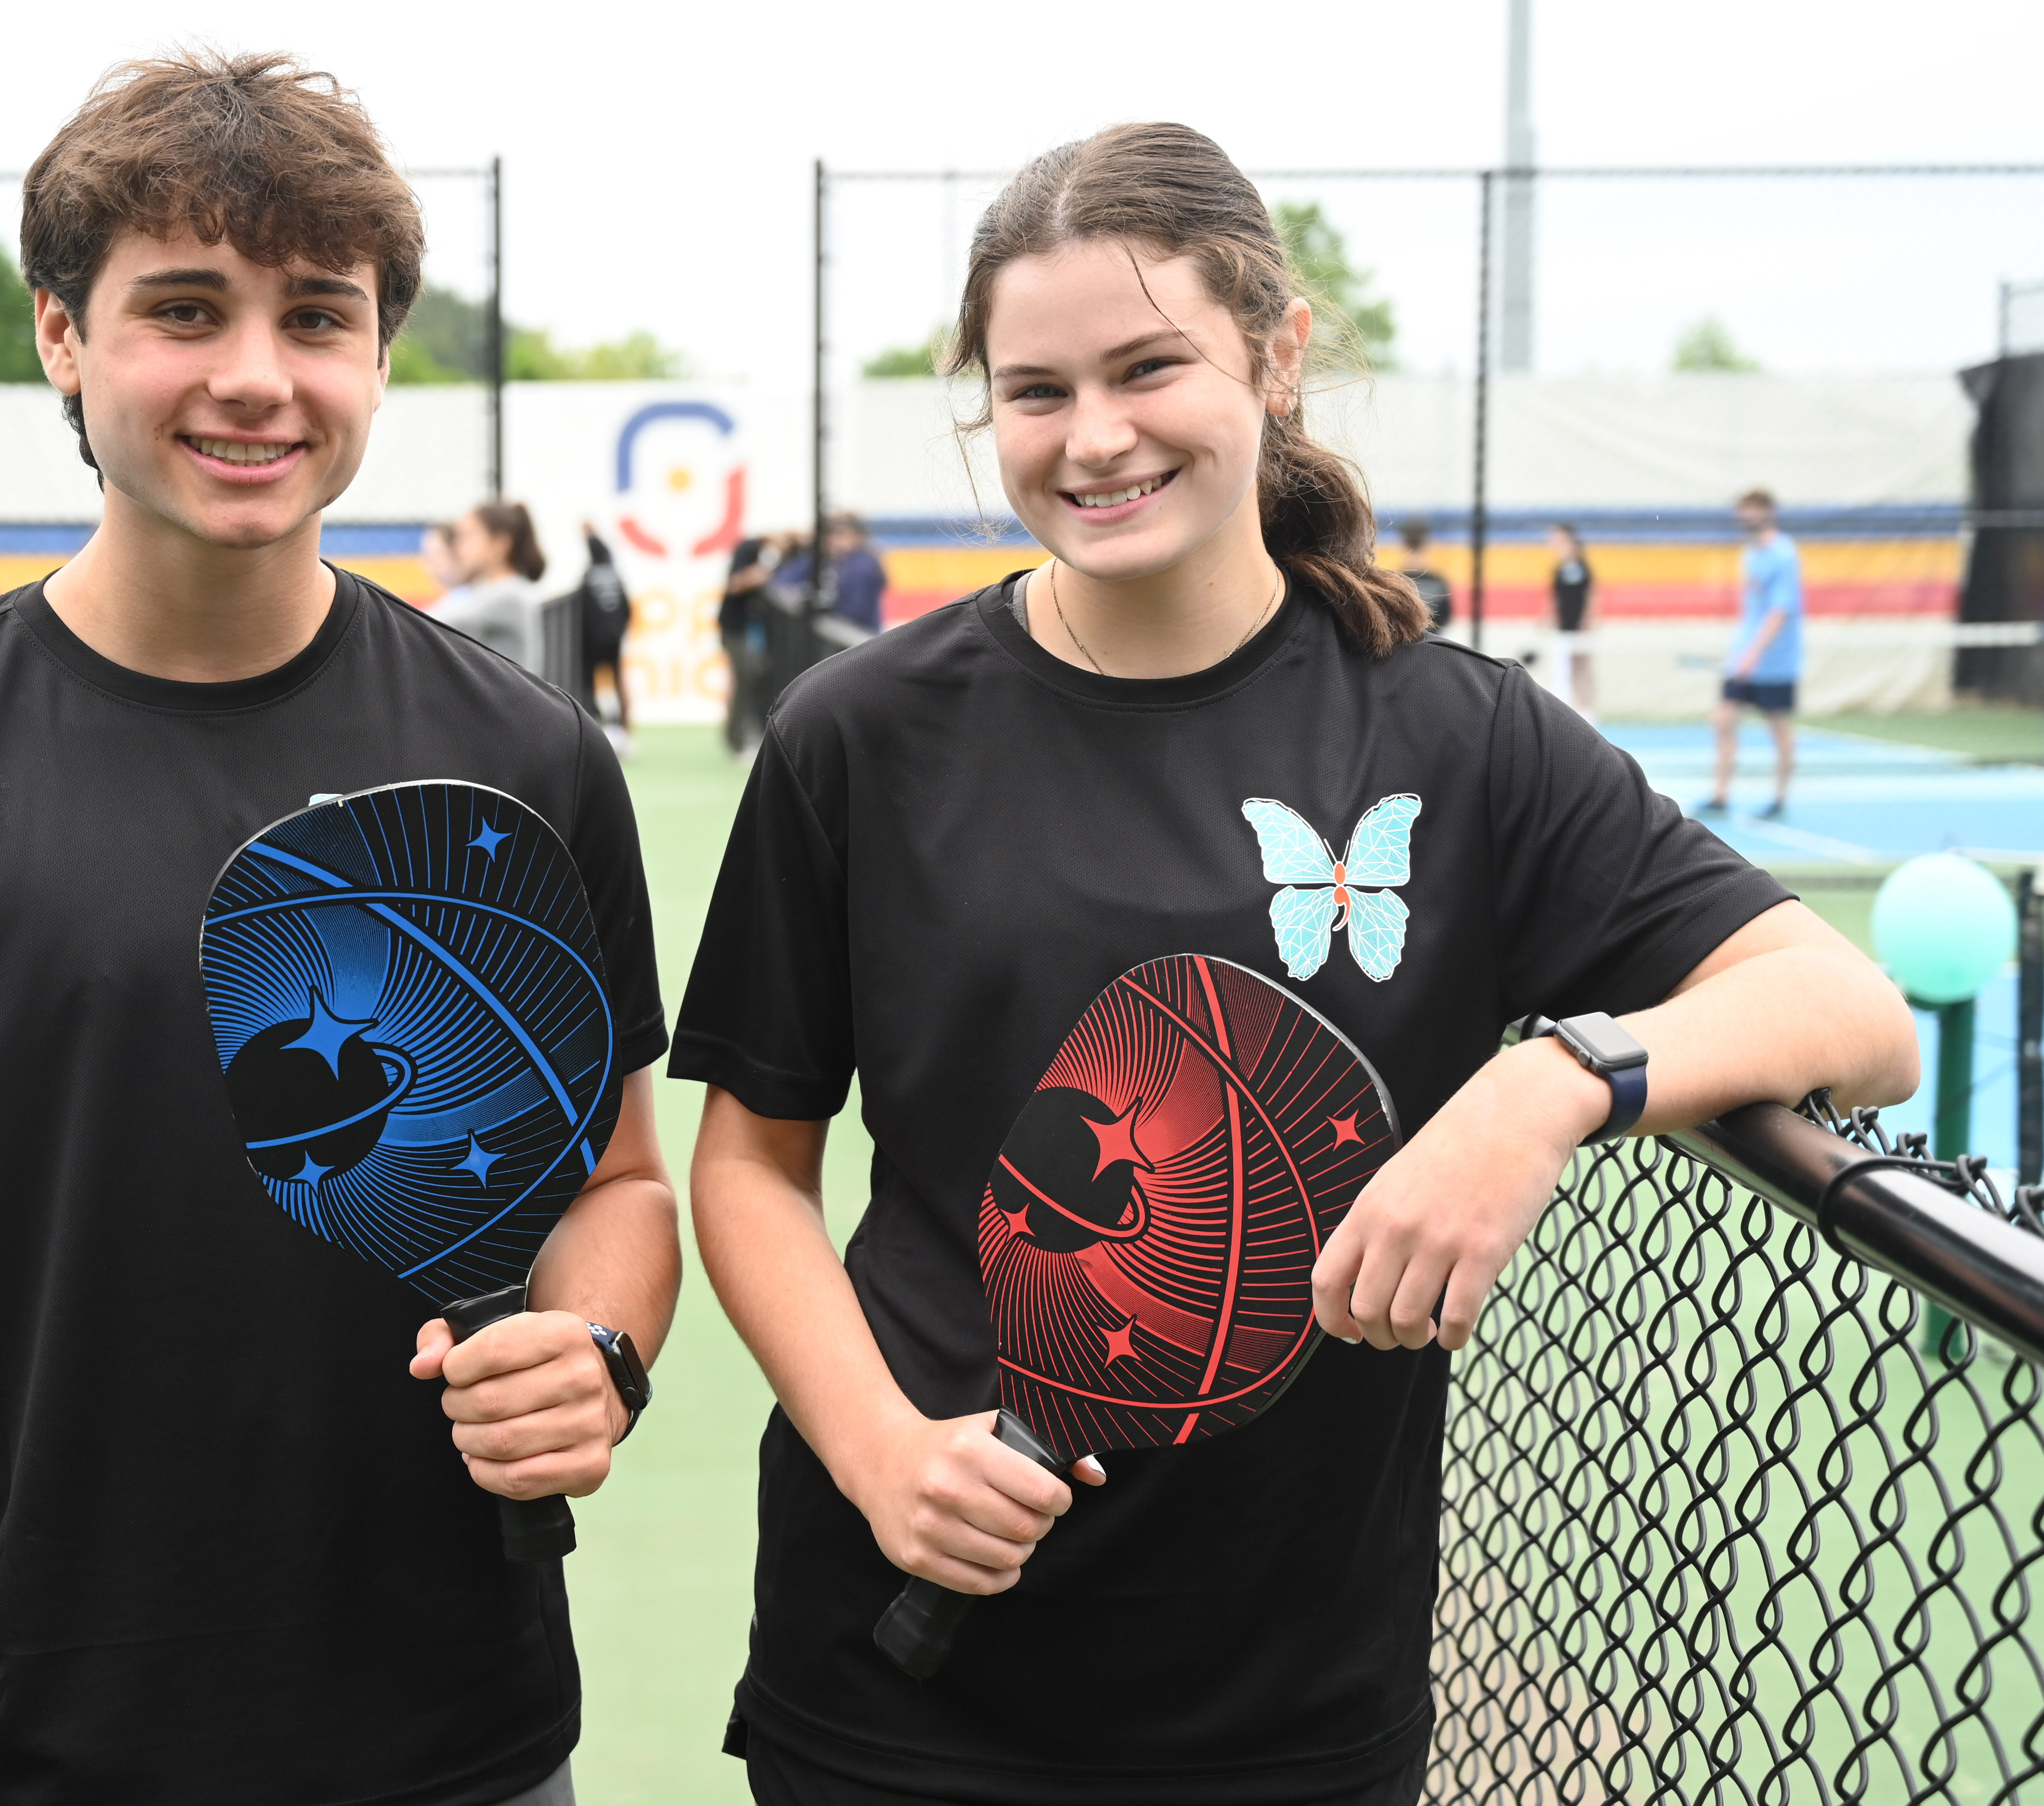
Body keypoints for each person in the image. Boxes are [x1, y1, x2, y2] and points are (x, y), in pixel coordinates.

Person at [672, 123, 1916, 1806]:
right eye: (1033, 391)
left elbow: (1849, 1013)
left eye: (1145, 367)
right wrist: (877, 1447)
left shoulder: (1457, 736)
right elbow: (748, 1161)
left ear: (1272, 352)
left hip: (1289, 1698)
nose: (1090, 435)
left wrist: (1544, 1084)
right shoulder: (858, 734)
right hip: (898, 1675)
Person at [0, 52, 675, 1806]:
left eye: (318, 316)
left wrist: (597, 1351)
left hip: (463, 1746)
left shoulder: (528, 762)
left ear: (380, 354)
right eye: (182, 308)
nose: (255, 375)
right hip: (35, 1753)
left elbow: (616, 1183)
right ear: (62, 337)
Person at [1704, 489, 1802, 819]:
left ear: (1767, 513)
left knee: (1779, 728)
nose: (1744, 519)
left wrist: (1754, 655)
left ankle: (1780, 797)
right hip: (1742, 657)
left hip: (1775, 663)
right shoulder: (1750, 554)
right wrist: (1740, 654)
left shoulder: (1784, 554)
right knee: (1723, 720)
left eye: (1750, 512)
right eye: (1741, 512)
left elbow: (1779, 612)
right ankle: (1721, 794)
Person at [434, 498, 546, 671]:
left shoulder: (509, 595)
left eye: (468, 536)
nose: (458, 547)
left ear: (500, 544)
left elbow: (430, 622)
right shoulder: (486, 590)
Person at [574, 522, 634, 752]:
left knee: (589, 685)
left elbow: (581, 613)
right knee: (619, 683)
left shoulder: (588, 577)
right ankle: (623, 732)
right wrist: (619, 630)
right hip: (614, 639)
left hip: (593, 642)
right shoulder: (616, 575)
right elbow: (628, 609)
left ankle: (593, 733)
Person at [718, 533, 776, 756]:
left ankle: (740, 738)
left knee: (749, 681)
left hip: (746, 633)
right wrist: (760, 575)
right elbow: (734, 584)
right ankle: (737, 741)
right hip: (736, 631)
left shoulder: (754, 551)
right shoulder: (749, 550)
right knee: (745, 681)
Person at [1549, 521, 1595, 719]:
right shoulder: (1559, 569)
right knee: (1563, 669)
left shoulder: (1583, 568)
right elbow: (1554, 598)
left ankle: (1586, 708)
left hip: (1580, 627)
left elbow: (1591, 595)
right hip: (1563, 627)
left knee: (1582, 667)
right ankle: (1564, 710)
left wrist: (1589, 621)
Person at [1397, 514, 1452, 633]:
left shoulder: (1395, 581)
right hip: (1433, 644)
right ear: (1427, 541)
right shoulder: (1438, 582)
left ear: (1403, 541)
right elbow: (1445, 618)